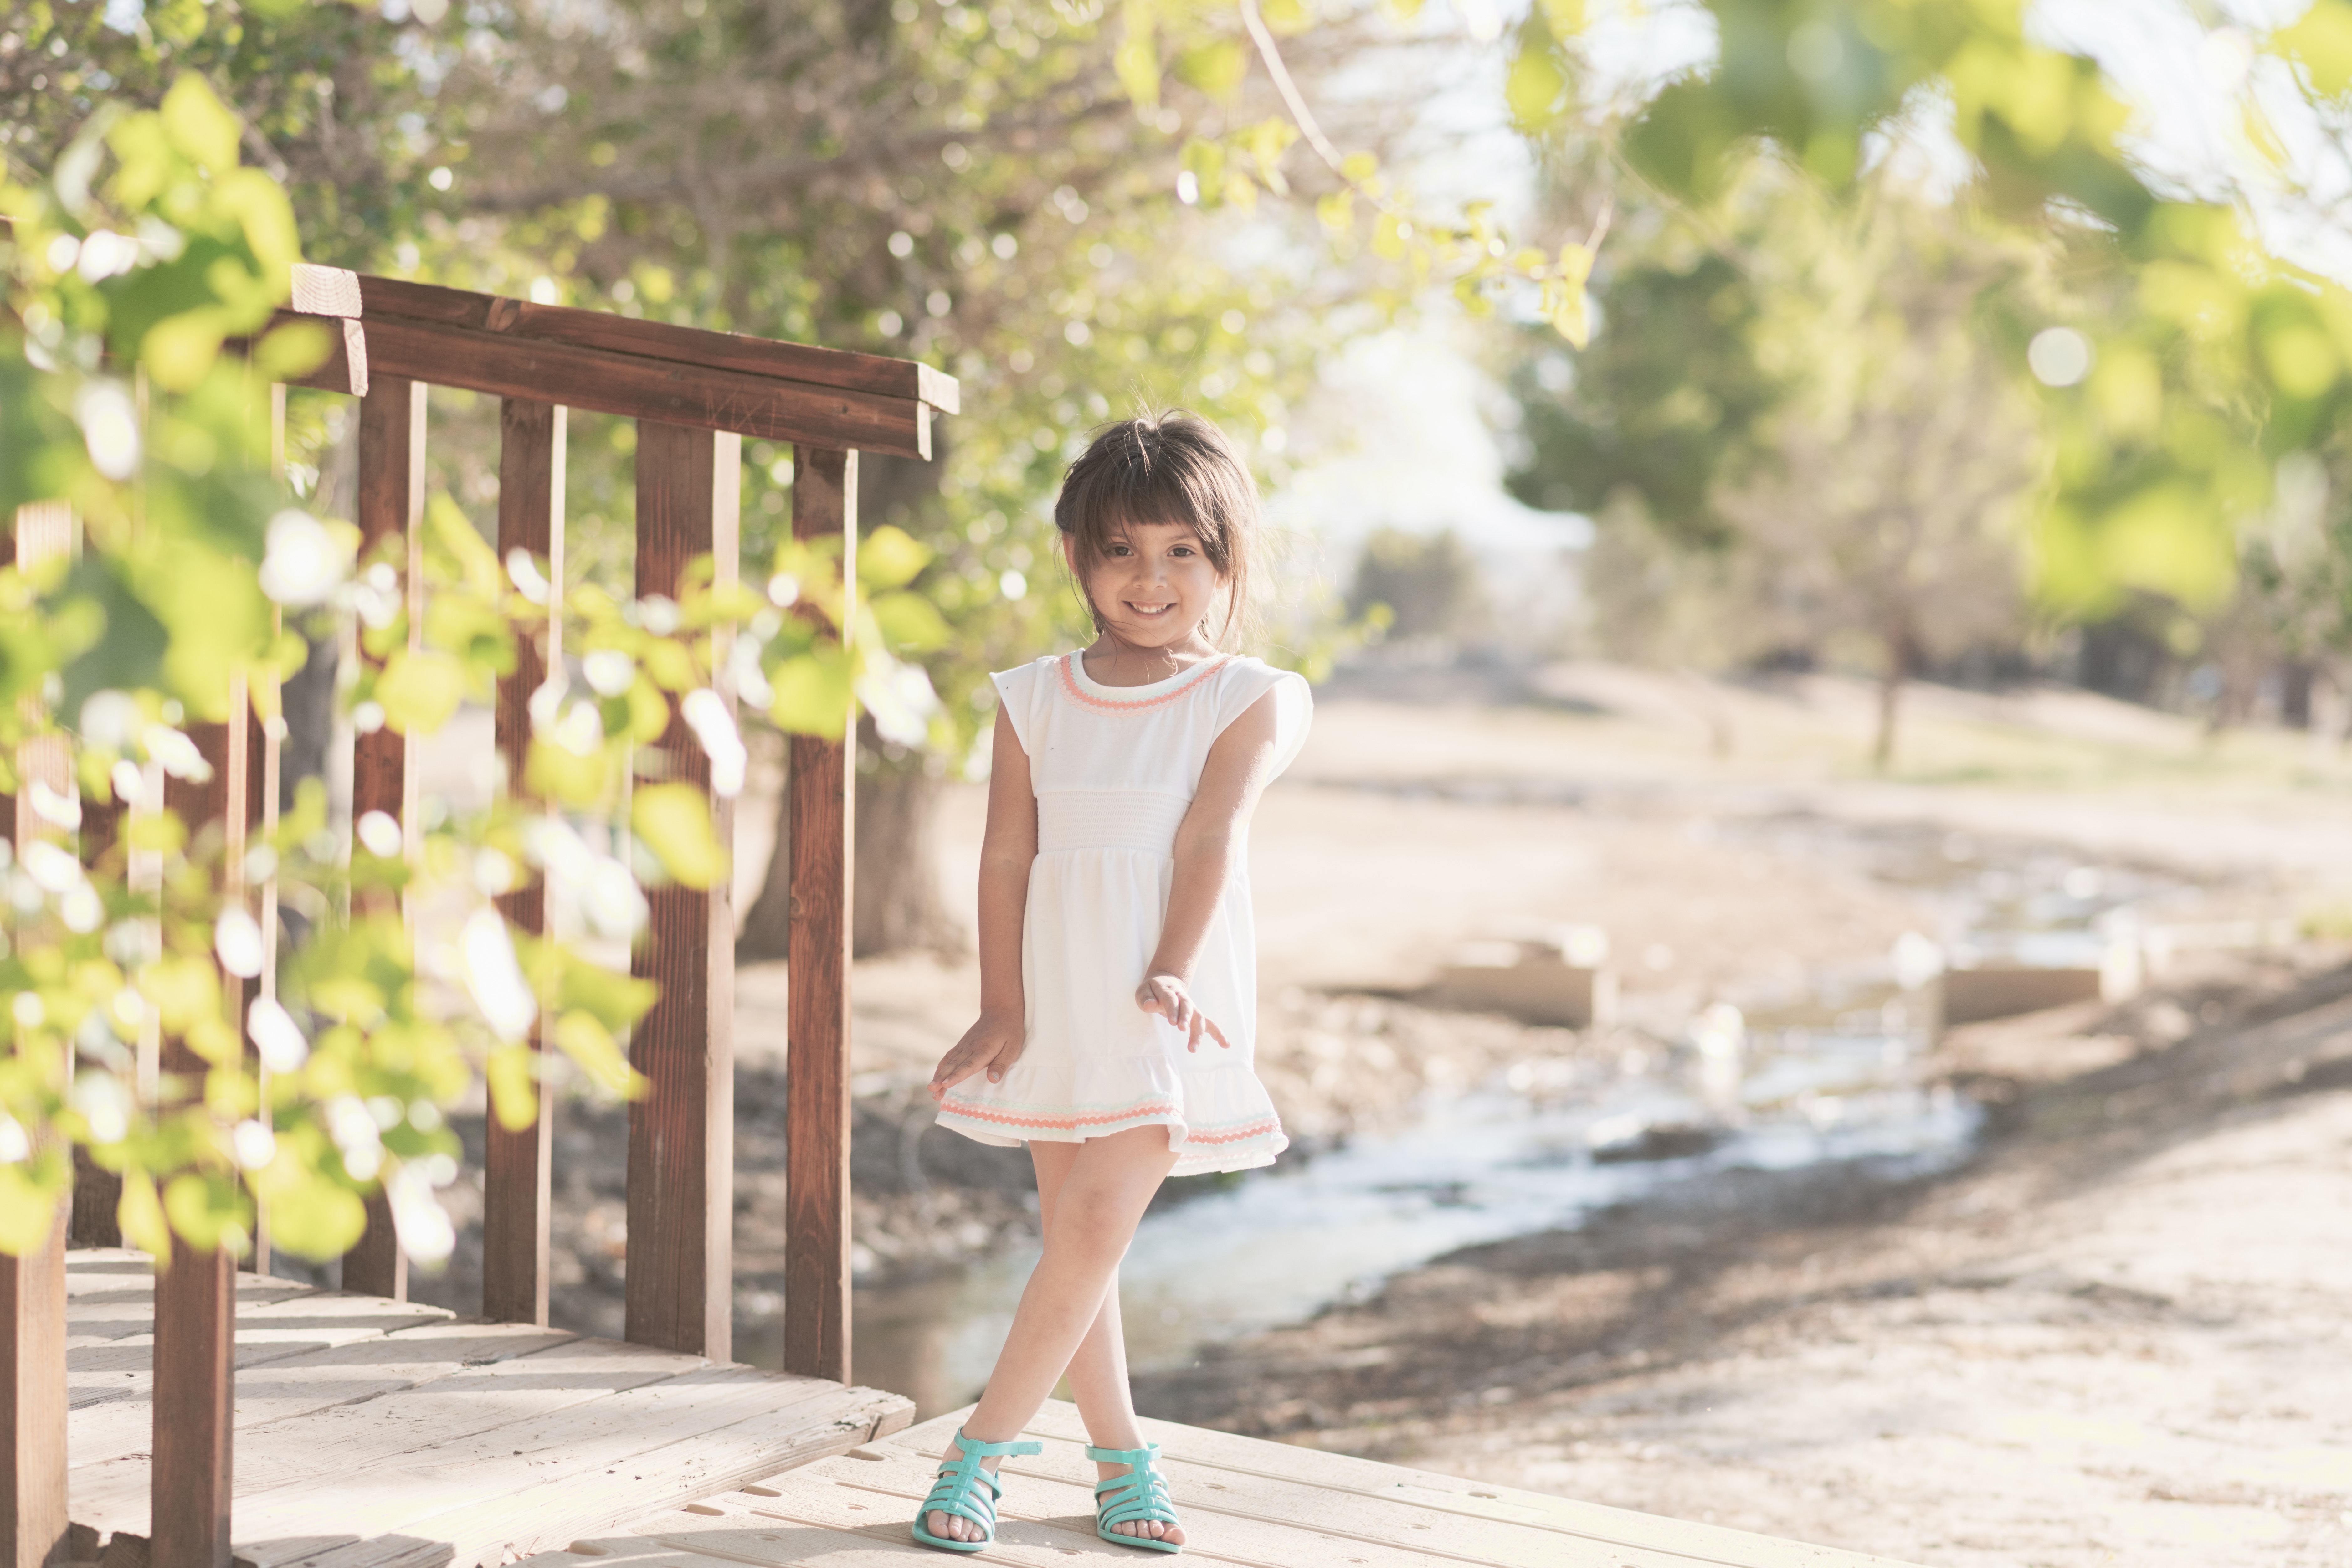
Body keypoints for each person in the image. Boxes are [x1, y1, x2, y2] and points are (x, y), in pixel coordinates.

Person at [913, 411, 1312, 1555]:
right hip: (1055, 993)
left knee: (1090, 1223)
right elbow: (1004, 856)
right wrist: (1001, 1005)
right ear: (1079, 556)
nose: (1151, 578)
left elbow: (1209, 839)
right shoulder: (1033, 695)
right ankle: (1124, 1459)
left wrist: (1174, 966)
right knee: (1076, 1246)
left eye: (1183, 550)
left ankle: (978, 1449)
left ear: (1227, 560)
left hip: (1162, 1001)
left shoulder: (1248, 694)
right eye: (1122, 549)